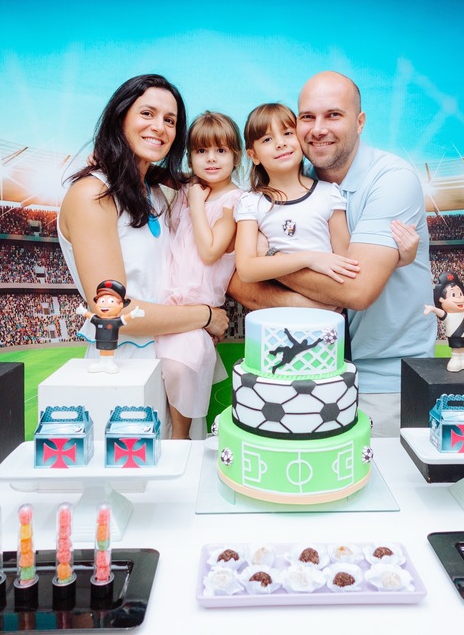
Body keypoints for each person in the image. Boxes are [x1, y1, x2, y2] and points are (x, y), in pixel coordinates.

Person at [228, 72, 433, 436]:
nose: (318, 129)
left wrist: (271, 255)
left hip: (383, 380)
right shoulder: (285, 182)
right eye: (307, 117)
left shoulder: (392, 178)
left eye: (333, 115)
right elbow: (238, 283)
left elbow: (356, 289)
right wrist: (307, 304)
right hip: (308, 370)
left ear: (360, 122)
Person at [58, 75, 230, 437]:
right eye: (147, 113)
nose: (159, 127)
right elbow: (116, 311)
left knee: (182, 483)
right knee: (132, 489)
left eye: (170, 120)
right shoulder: (92, 194)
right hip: (124, 373)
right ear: (120, 116)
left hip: (174, 361)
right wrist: (205, 316)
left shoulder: (153, 192)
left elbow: (206, 179)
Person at [154, 112, 243, 439]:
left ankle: (181, 438)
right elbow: (154, 171)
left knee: (182, 367)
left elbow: (209, 251)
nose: (211, 159)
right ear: (189, 156)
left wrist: (193, 201)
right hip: (166, 298)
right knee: (159, 378)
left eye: (221, 151)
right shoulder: (189, 186)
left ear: (237, 156)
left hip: (197, 306)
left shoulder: (235, 201)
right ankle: (173, 438)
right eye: (201, 151)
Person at [234, 103, 359, 285]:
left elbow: (346, 261)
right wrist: (308, 258)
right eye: (267, 140)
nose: (280, 143)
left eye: (287, 133)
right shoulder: (251, 203)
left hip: (327, 308)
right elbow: (246, 270)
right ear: (254, 156)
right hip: (272, 309)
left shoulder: (328, 194)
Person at [424, 271, 464, 372]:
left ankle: (463, 359)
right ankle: (455, 359)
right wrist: (432, 309)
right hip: (454, 336)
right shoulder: (449, 316)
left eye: (460, 293)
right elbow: (440, 313)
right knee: (456, 350)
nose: (459, 297)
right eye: (453, 294)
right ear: (442, 300)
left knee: (463, 349)